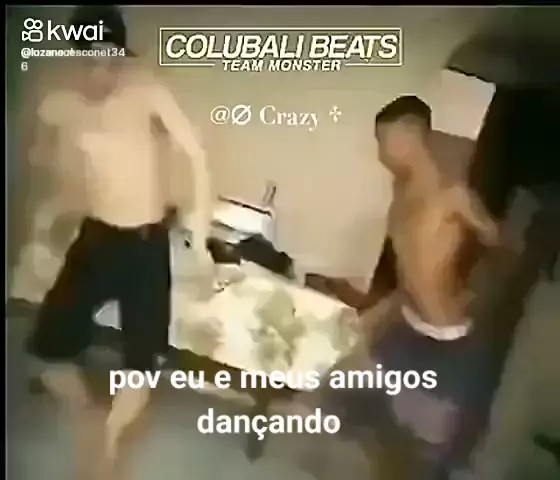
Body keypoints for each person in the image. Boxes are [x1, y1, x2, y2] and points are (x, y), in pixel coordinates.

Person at [24, 5, 213, 463]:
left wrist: (201, 236)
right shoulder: (63, 106)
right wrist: (42, 222)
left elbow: (196, 157)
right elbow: (56, 169)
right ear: (78, 56)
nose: (102, 72)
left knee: (140, 363)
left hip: (144, 244)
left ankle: (108, 446)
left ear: (123, 55)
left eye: (111, 59)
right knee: (46, 347)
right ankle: (89, 418)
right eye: (92, 60)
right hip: (95, 237)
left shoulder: (147, 94)